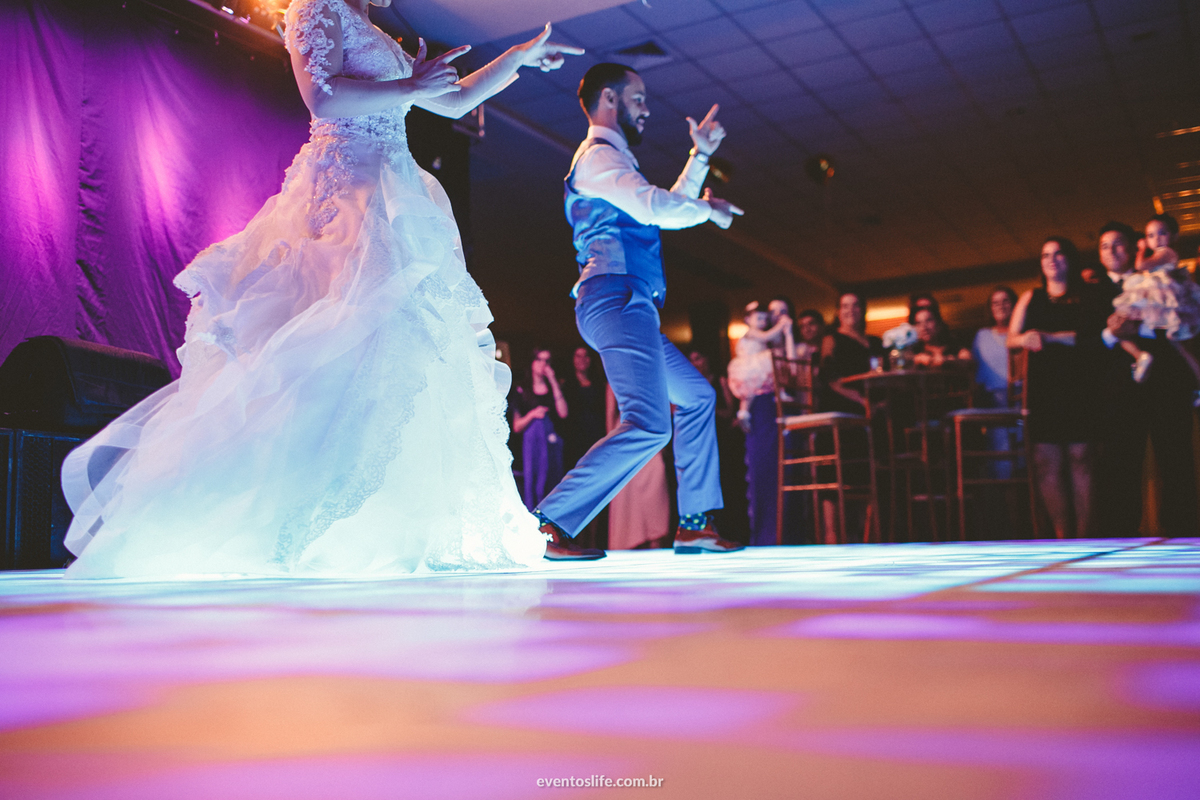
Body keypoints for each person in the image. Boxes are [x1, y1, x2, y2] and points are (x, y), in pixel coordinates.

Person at [59, 0, 584, 578]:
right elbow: (322, 97)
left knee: (400, 352)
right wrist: (409, 84)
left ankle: (381, 525)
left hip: (394, 192)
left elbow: (455, 100)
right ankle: (285, 521)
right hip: (349, 193)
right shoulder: (317, 6)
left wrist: (520, 56)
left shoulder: (376, 30)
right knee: (332, 341)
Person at [533, 62, 745, 559]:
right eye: (639, 99)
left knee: (696, 396)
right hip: (614, 296)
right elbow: (655, 208)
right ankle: (547, 523)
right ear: (609, 98)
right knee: (648, 422)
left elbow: (659, 206)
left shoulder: (614, 160)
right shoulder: (597, 157)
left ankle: (695, 524)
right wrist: (709, 211)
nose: (647, 109)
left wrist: (700, 157)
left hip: (628, 302)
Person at [1097, 221, 1199, 536]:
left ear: (1133, 247)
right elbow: (1088, 340)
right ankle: (1121, 537)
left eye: (1119, 244)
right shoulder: (1093, 288)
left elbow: (1183, 324)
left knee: (1177, 459)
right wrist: (1112, 333)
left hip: (1167, 381)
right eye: (1104, 246)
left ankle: (1184, 535)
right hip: (1121, 389)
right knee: (1122, 464)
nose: (1112, 251)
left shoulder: (1161, 280)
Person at [1008, 237, 1108, 538]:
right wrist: (1024, 338)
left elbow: (1092, 336)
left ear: (1070, 259)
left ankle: (1085, 535)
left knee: (1081, 458)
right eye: (1045, 255)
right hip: (1044, 386)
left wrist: (1050, 337)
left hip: (1081, 383)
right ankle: (1063, 535)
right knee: (1045, 461)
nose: (1051, 259)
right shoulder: (1031, 297)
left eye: (1058, 254)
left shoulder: (1087, 295)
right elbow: (1011, 338)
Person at [1110, 214, 1200, 394]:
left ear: (1174, 235)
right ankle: (1141, 356)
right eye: (1150, 235)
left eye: (1162, 233)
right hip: (1159, 299)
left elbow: (1141, 265)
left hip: (1165, 299)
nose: (1156, 239)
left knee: (1182, 348)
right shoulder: (1162, 255)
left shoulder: (1166, 253)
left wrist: (1141, 249)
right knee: (1121, 329)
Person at [512, 348, 569, 511]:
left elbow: (563, 413)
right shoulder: (521, 390)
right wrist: (532, 414)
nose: (543, 364)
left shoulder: (553, 388)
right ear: (532, 362)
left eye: (547, 361)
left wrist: (553, 380)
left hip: (552, 449)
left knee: (552, 486)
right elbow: (517, 426)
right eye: (539, 359)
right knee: (534, 486)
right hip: (532, 449)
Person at [728, 301, 793, 430]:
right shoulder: (751, 332)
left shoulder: (757, 333)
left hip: (756, 367)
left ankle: (744, 413)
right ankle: (744, 412)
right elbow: (766, 336)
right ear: (747, 320)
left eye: (765, 319)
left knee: (751, 391)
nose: (762, 322)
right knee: (748, 392)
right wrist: (780, 325)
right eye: (759, 319)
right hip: (749, 365)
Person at [562, 346, 607, 471]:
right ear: (572, 359)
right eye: (578, 356)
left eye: (585, 356)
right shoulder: (566, 386)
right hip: (575, 437)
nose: (582, 359)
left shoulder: (600, 385)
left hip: (596, 434)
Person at [972, 287, 1018, 408]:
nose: (1001, 306)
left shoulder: (1022, 334)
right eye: (995, 303)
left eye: (1005, 301)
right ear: (990, 309)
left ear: (1014, 305)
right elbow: (974, 371)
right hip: (991, 400)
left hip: (1021, 395)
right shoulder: (982, 335)